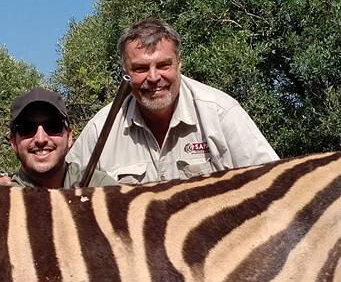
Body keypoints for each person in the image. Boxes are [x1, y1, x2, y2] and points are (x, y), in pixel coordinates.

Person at [65, 17, 278, 184]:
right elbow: (65, 193)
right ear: (125, 73)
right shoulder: (99, 130)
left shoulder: (221, 113)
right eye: (140, 68)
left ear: (179, 65)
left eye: (164, 65)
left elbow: (273, 184)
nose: (154, 77)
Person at [0, 87, 117, 189]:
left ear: (69, 137)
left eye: (52, 126)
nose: (40, 139)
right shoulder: (1, 198)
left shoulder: (99, 185)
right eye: (27, 128)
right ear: (13, 142)